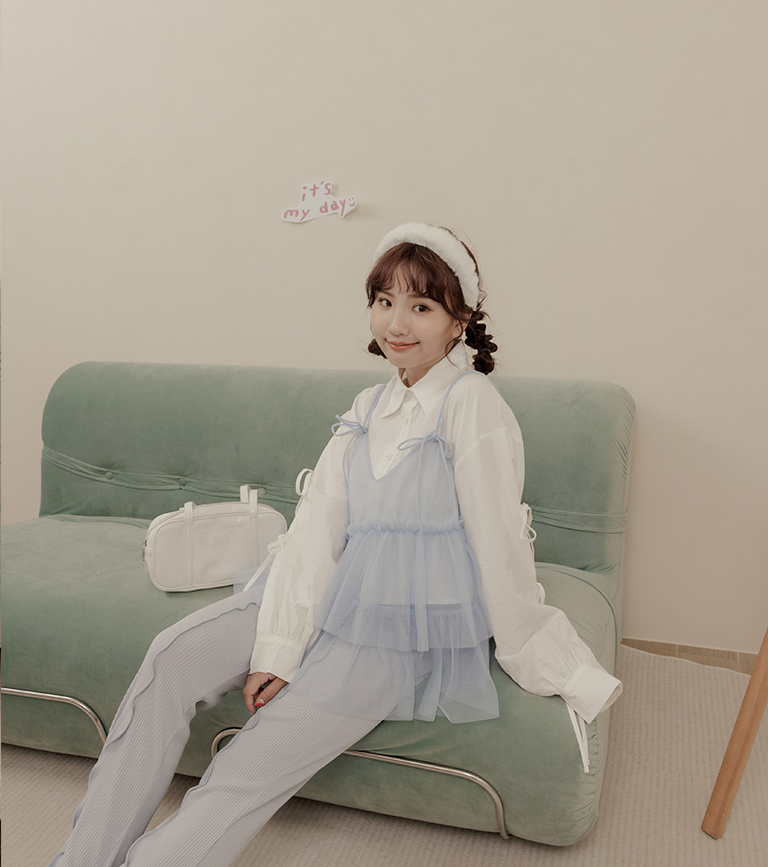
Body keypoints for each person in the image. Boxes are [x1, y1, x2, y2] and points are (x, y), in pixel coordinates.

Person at [48, 222, 622, 867]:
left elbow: (500, 544)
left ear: (458, 320)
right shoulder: (366, 407)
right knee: (170, 657)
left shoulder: (473, 405)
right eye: (384, 301)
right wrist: (280, 646)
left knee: (249, 763)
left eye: (421, 306)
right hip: (323, 593)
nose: (396, 323)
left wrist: (547, 658)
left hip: (397, 629)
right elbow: (315, 532)